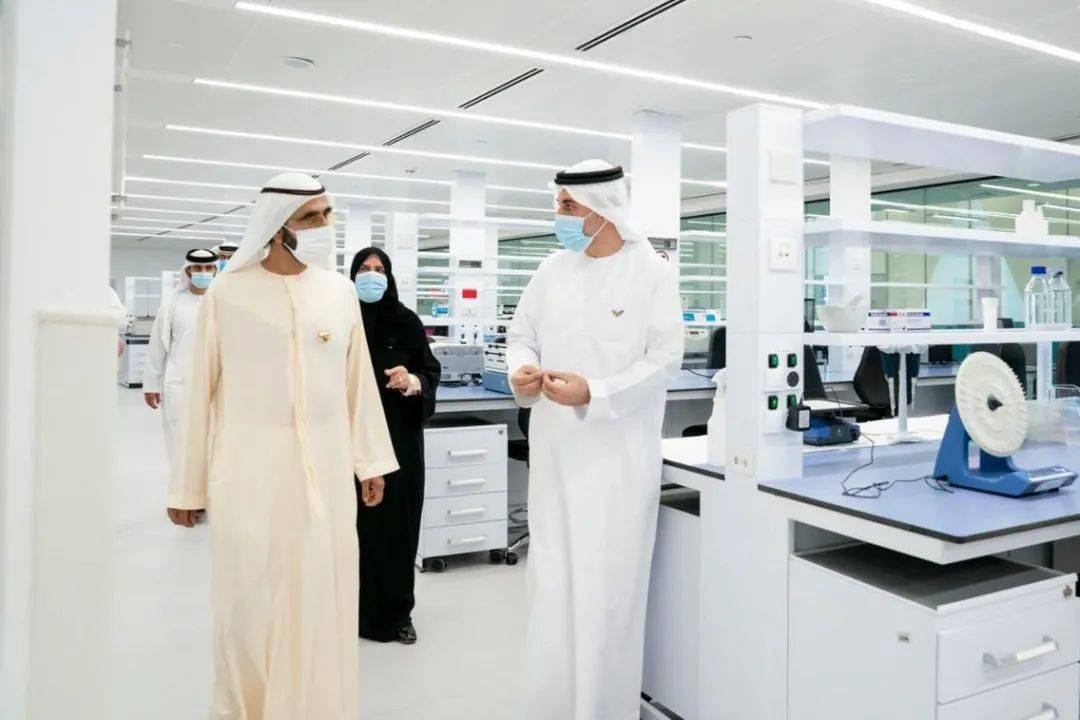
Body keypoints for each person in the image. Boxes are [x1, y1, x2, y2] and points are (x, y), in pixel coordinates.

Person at [167, 172, 398, 718]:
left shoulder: (338, 293)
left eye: (328, 214)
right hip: (248, 476)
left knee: (321, 598)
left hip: (326, 475)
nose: (325, 225)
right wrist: (187, 486)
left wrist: (369, 462)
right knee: (249, 604)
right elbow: (199, 393)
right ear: (277, 227)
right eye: (312, 216)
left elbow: (358, 384)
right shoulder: (228, 294)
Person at [507, 159, 685, 719]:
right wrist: (520, 371)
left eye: (568, 205)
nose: (558, 214)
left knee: (607, 592)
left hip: (617, 462)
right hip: (556, 457)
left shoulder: (651, 272)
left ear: (603, 208)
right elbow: (521, 335)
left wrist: (596, 392)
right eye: (558, 203)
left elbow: (665, 360)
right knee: (552, 583)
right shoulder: (550, 270)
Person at [349, 247, 441, 645]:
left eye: (379, 269)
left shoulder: (407, 321)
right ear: (351, 276)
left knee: (397, 529)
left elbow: (430, 371)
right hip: (347, 438)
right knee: (352, 530)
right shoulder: (341, 319)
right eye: (364, 269)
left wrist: (412, 381)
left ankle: (397, 614)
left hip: (398, 438)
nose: (372, 276)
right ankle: (347, 612)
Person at [143, 248, 218, 470]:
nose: (203, 272)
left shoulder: (223, 302)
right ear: (188, 270)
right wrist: (150, 384)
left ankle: (209, 488)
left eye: (208, 267)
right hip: (179, 383)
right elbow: (157, 346)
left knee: (213, 441)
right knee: (180, 440)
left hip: (215, 385)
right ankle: (181, 487)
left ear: (215, 270)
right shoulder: (173, 304)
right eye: (198, 268)